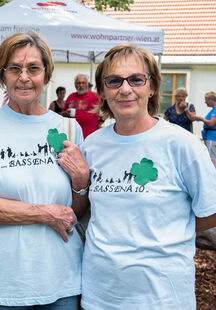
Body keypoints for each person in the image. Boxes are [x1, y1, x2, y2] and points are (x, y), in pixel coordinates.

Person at [79, 43, 216, 310]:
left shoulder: (183, 146)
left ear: (151, 87)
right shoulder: (92, 146)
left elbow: (209, 212)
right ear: (103, 91)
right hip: (100, 295)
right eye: (114, 80)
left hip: (162, 298)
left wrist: (169, 231)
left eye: (136, 79)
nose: (125, 89)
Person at [0, 31, 89, 309]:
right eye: (14, 68)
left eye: (33, 68)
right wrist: (46, 214)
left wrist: (81, 180)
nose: (24, 77)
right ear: (2, 75)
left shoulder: (67, 128)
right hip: (2, 284)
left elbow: (75, 211)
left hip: (63, 279)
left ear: (45, 74)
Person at [62, 74, 100, 138]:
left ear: (87, 84)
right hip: (73, 135)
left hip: (90, 135)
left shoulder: (95, 96)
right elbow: (63, 113)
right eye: (78, 83)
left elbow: (105, 110)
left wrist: (101, 121)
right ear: (75, 85)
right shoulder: (71, 96)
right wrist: (66, 113)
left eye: (83, 83)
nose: (81, 85)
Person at [196, 91, 216, 167]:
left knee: (211, 159)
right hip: (209, 136)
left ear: (211, 99)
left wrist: (201, 119)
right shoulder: (213, 109)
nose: (205, 102)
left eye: (206, 100)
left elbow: (211, 123)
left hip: (212, 137)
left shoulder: (215, 110)